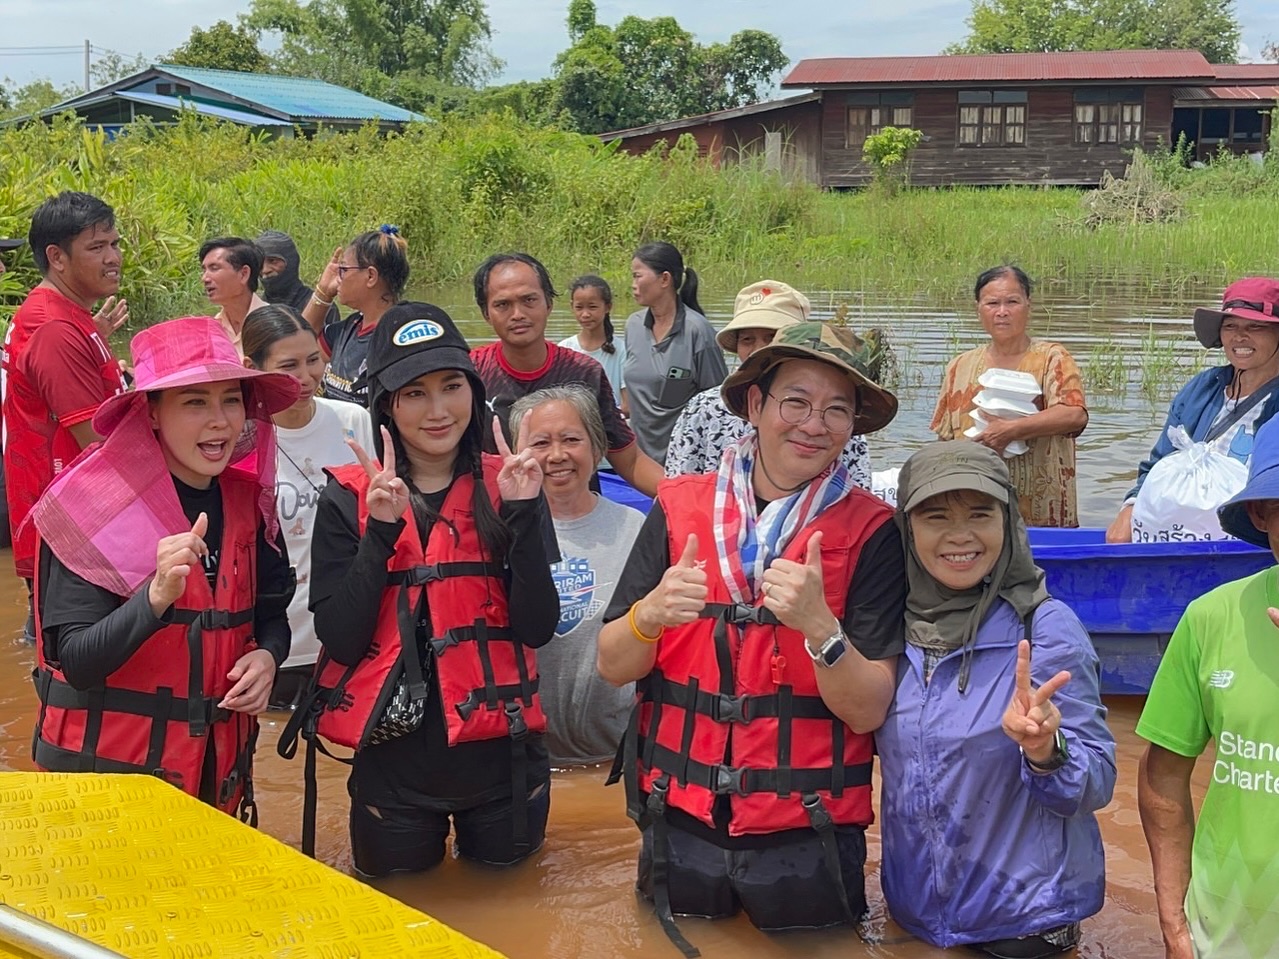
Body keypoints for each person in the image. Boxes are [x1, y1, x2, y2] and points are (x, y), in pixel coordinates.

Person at [598, 321, 905, 953]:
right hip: (677, 820)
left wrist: (821, 627)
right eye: (796, 401)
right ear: (756, 405)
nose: (814, 425)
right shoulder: (678, 507)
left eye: (836, 410)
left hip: (808, 837)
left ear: (853, 427)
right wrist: (649, 614)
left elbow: (869, 705)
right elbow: (611, 664)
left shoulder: (875, 532)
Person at [299, 302, 559, 876]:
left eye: (451, 387)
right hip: (394, 765)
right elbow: (340, 639)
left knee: (511, 913)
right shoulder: (347, 497)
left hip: (503, 759)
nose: (439, 411)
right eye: (415, 393)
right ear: (386, 406)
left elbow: (538, 625)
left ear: (474, 391)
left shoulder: (512, 483)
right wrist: (381, 531)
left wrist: (521, 519)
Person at [28, 316, 298, 821]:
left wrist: (267, 658)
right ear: (150, 413)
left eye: (231, 399)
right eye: (194, 401)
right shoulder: (92, 509)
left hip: (214, 781)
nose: (219, 420)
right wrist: (153, 597)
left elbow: (272, 617)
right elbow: (77, 664)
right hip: (108, 796)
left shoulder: (247, 503)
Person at [877, 440, 1116, 955]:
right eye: (935, 515)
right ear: (906, 527)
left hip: (1024, 922)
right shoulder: (890, 629)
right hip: (916, 914)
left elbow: (1097, 783)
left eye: (981, 514)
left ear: (1007, 522)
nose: (960, 535)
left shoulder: (1045, 628)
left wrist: (1046, 752)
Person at [1137, 413, 1279, 959]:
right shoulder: (1211, 618)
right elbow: (1164, 775)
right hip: (1223, 934)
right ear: (1263, 514)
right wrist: (1175, 924)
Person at [2, 192, 130, 644]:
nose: (113, 258)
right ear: (56, 257)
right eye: (97, 248)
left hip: (62, 522)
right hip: (70, 528)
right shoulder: (55, 329)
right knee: (72, 671)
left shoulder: (67, 316)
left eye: (114, 244)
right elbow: (96, 443)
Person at [241, 304, 374, 710]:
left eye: (313, 360)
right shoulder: (239, 442)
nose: (305, 378)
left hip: (352, 638)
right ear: (253, 367)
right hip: (279, 645)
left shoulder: (354, 421)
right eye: (288, 366)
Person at [509, 385, 644, 767]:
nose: (557, 456)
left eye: (571, 440)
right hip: (521, 760)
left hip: (615, 759)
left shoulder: (636, 530)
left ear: (597, 449)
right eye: (540, 443)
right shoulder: (502, 534)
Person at [471, 252, 663, 497]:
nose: (518, 314)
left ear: (548, 304)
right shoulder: (471, 375)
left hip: (577, 517)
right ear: (486, 313)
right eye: (502, 304)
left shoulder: (584, 373)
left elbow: (630, 459)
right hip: (500, 520)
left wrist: (684, 498)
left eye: (529, 300)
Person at [1107, 277, 1279, 543]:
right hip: (1181, 532)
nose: (1240, 336)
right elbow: (1160, 460)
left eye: (1256, 326)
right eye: (1230, 325)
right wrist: (1130, 508)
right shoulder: (1204, 388)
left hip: (1253, 537)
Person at [665, 280, 871, 484]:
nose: (758, 350)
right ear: (755, 405)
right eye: (747, 340)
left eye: (771, 337)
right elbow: (678, 480)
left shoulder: (839, 419)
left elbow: (859, 489)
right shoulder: (705, 408)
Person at [931, 266, 1088, 527]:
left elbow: (1074, 415)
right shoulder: (959, 366)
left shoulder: (1052, 358)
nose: (1002, 312)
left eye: (1012, 302)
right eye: (992, 303)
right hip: (975, 507)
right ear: (978, 308)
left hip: (1042, 513)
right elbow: (944, 440)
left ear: (1028, 305)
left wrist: (1012, 430)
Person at [622, 241, 729, 464]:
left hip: (684, 460)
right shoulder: (633, 326)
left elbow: (718, 404)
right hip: (639, 460)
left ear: (664, 279)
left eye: (637, 276)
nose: (632, 284)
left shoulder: (697, 331)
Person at [301, 225, 410, 406]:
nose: (338, 279)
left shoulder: (400, 336)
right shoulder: (350, 328)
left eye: (343, 270)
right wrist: (323, 293)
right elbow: (300, 345)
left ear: (370, 276)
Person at [560, 274, 627, 412]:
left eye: (592, 307)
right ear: (572, 307)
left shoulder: (622, 350)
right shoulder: (564, 349)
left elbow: (628, 406)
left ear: (607, 307)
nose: (585, 314)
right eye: (579, 307)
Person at [256, 230, 340, 328]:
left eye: (273, 261)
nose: (265, 270)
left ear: (291, 262)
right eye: (260, 262)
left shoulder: (323, 308)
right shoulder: (254, 307)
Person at [200, 237, 268, 355]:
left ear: (243, 274)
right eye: (204, 270)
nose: (205, 278)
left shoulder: (274, 326)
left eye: (214, 268)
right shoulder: (212, 331)